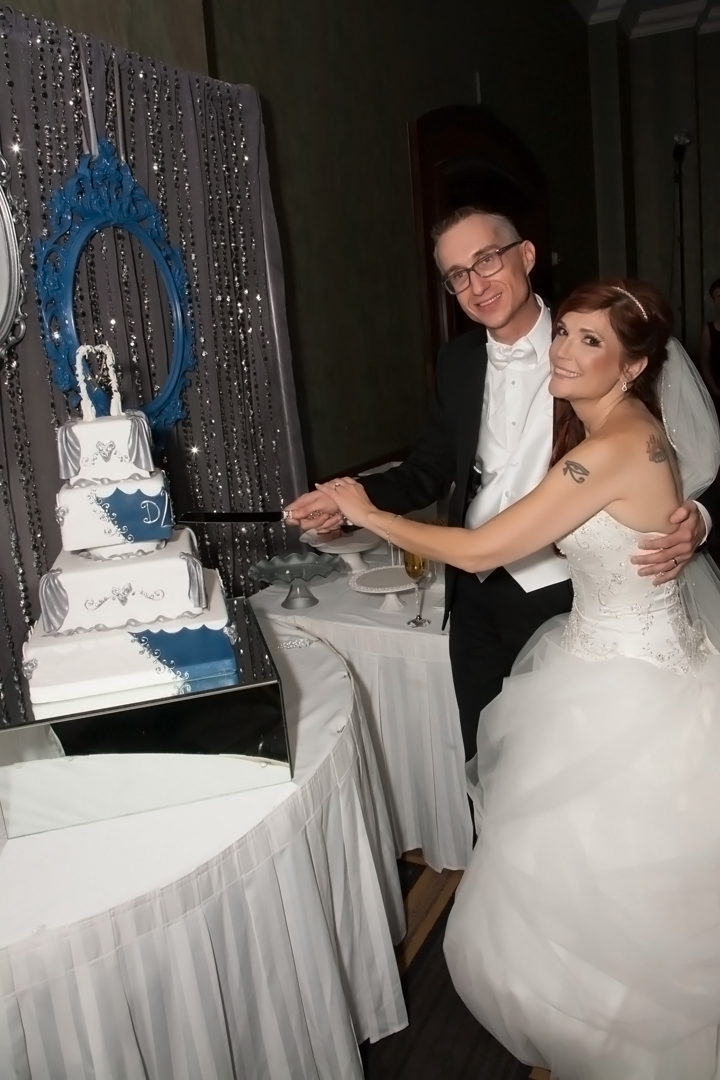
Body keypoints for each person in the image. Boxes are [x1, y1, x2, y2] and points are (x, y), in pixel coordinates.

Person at [318, 279, 720, 1078]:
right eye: (563, 332)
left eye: (590, 341)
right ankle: (609, 1021)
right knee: (598, 878)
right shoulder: (613, 432)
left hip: (633, 691)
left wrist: (366, 512)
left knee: (626, 873)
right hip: (603, 654)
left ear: (634, 366)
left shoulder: (613, 447)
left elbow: (481, 548)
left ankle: (637, 1034)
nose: (563, 350)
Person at [285, 208, 708, 760]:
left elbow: (690, 455)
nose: (476, 284)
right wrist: (345, 502)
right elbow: (428, 470)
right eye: (457, 274)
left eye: (486, 260)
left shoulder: (603, 343)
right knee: (485, 763)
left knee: (568, 766)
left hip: (569, 595)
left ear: (525, 255)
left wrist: (698, 518)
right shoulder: (458, 361)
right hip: (476, 595)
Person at [699, 276, 720, 399]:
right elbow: (704, 363)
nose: (716, 302)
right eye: (714, 298)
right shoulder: (709, 330)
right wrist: (715, 389)